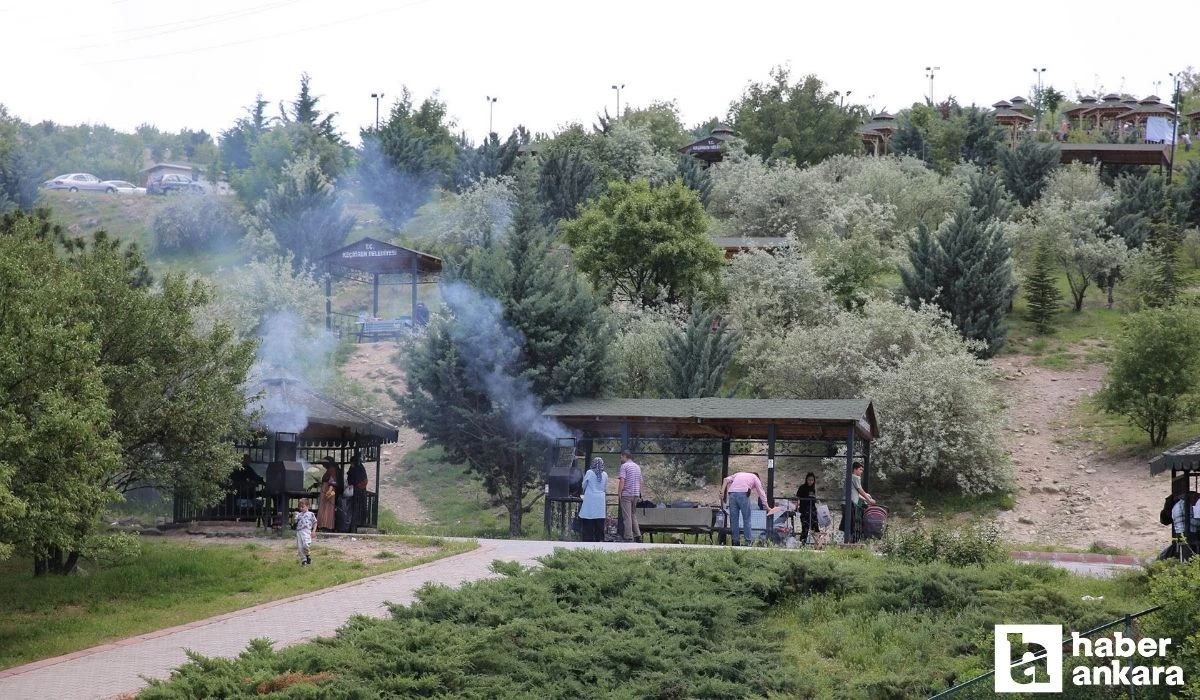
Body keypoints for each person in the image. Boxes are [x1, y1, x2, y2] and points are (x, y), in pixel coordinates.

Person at [720, 471, 769, 546]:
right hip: (743, 494)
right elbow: (761, 493)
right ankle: (748, 542)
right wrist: (767, 506)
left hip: (732, 494)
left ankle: (735, 542)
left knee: (734, 520)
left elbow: (726, 479)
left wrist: (722, 492)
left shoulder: (739, 474)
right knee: (746, 519)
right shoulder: (755, 478)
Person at [579, 457, 609, 542]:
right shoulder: (605, 475)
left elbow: (583, 485)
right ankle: (599, 540)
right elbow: (605, 488)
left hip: (590, 499)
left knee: (589, 520)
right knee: (599, 522)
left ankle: (588, 540)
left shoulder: (589, 472)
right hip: (600, 500)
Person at [617, 450, 642, 542]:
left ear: (625, 456)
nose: (620, 459)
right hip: (636, 494)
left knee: (627, 516)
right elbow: (640, 482)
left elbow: (622, 481)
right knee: (633, 515)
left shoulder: (624, 466)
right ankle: (638, 535)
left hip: (627, 494)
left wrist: (619, 493)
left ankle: (628, 536)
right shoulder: (637, 467)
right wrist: (639, 493)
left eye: (621, 457)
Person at [316, 457, 341, 532]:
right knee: (324, 508)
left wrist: (329, 491)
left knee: (327, 508)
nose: (323, 465)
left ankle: (326, 525)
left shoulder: (332, 470)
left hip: (328, 490)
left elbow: (332, 481)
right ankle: (322, 524)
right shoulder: (329, 470)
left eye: (324, 464)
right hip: (325, 489)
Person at [795, 472, 820, 546]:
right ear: (806, 480)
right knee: (805, 528)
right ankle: (802, 544)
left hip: (812, 511)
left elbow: (813, 499)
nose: (810, 482)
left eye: (812, 480)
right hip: (804, 511)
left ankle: (818, 544)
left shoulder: (813, 489)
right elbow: (797, 498)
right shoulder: (802, 488)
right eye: (809, 480)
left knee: (815, 527)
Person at [346, 452, 369, 533]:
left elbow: (364, 481)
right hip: (352, 493)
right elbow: (350, 478)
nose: (351, 464)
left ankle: (360, 524)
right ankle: (351, 524)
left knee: (360, 509)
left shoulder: (360, 469)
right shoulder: (352, 468)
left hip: (360, 493)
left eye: (352, 462)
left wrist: (357, 487)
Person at [294, 498, 316, 566]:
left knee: (305, 545)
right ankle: (304, 561)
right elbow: (294, 522)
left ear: (307, 506)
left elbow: (315, 522)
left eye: (303, 507)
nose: (301, 508)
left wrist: (313, 531)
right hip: (299, 532)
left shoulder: (311, 514)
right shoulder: (299, 515)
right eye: (300, 507)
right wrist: (294, 516)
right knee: (300, 547)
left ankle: (307, 555)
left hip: (307, 531)